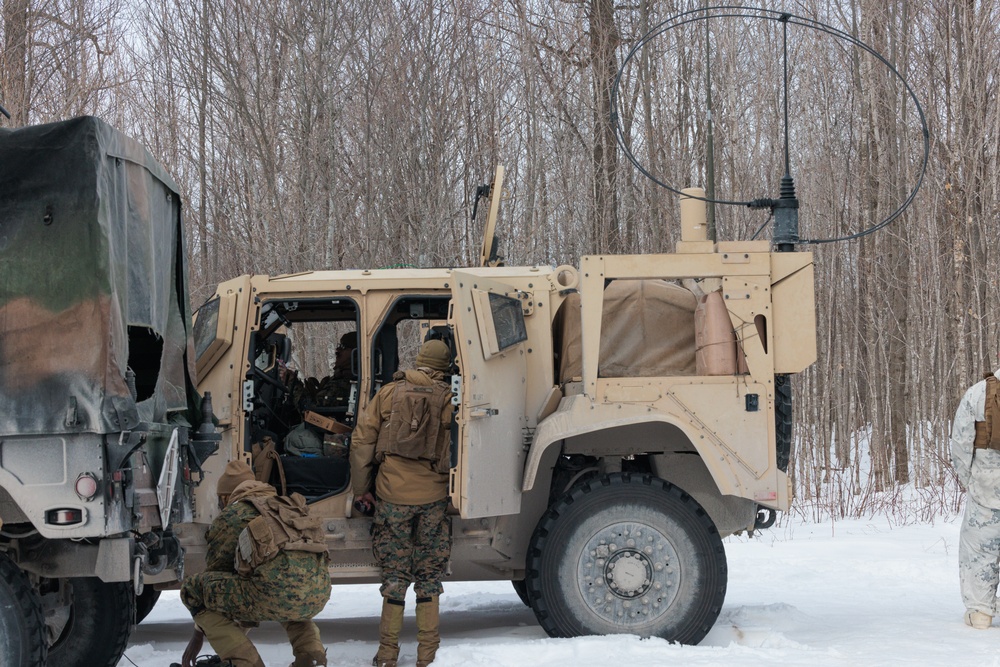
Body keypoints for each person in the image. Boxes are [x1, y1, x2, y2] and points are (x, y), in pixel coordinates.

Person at [350, 339, 455, 667]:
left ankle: (386, 656)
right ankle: (427, 657)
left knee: (394, 577)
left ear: (419, 359)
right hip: (433, 498)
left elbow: (362, 441)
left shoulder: (388, 393)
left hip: (392, 496)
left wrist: (361, 488)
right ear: (445, 367)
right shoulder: (450, 398)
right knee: (428, 577)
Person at [180, 460, 331, 666]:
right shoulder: (286, 506)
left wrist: (198, 634)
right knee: (291, 596)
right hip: (317, 595)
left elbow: (214, 583)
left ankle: (246, 663)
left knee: (192, 589)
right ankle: (312, 658)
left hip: (272, 593)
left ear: (225, 496)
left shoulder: (233, 514)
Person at [950, 366, 1000, 630]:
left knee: (979, 552)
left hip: (986, 486)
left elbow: (960, 442)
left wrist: (970, 478)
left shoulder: (978, 393)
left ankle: (981, 613)